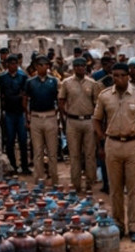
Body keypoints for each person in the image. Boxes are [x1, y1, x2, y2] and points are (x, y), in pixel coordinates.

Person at [94, 62, 135, 241]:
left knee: (134, 189)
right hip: (112, 144)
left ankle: (134, 227)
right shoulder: (104, 96)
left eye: (122, 75)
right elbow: (96, 120)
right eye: (115, 76)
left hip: (133, 144)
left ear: (128, 76)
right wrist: (102, 141)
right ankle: (118, 224)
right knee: (115, 188)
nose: (118, 79)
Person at [59, 57, 98, 195]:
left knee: (89, 154)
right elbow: (61, 101)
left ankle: (90, 183)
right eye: (77, 66)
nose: (80, 68)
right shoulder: (66, 83)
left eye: (82, 65)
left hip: (88, 120)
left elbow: (96, 104)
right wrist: (66, 116)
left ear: (85, 67)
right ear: (73, 68)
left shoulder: (92, 83)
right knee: (74, 154)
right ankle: (75, 184)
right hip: (73, 121)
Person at [26, 56, 60, 186]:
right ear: (36, 66)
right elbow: (26, 99)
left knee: (52, 151)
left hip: (50, 116)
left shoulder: (54, 81)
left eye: (46, 64)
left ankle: (54, 179)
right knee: (38, 151)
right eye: (41, 64)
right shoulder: (30, 82)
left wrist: (57, 114)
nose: (43, 67)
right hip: (36, 117)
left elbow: (58, 99)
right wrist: (27, 117)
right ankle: (38, 180)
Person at [0, 54, 30, 175]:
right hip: (9, 112)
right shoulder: (2, 78)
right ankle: (12, 166)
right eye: (11, 63)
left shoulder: (23, 77)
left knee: (23, 140)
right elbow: (1, 95)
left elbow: (25, 94)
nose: (14, 66)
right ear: (7, 65)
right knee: (10, 140)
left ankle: (24, 166)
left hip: (20, 111)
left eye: (15, 63)